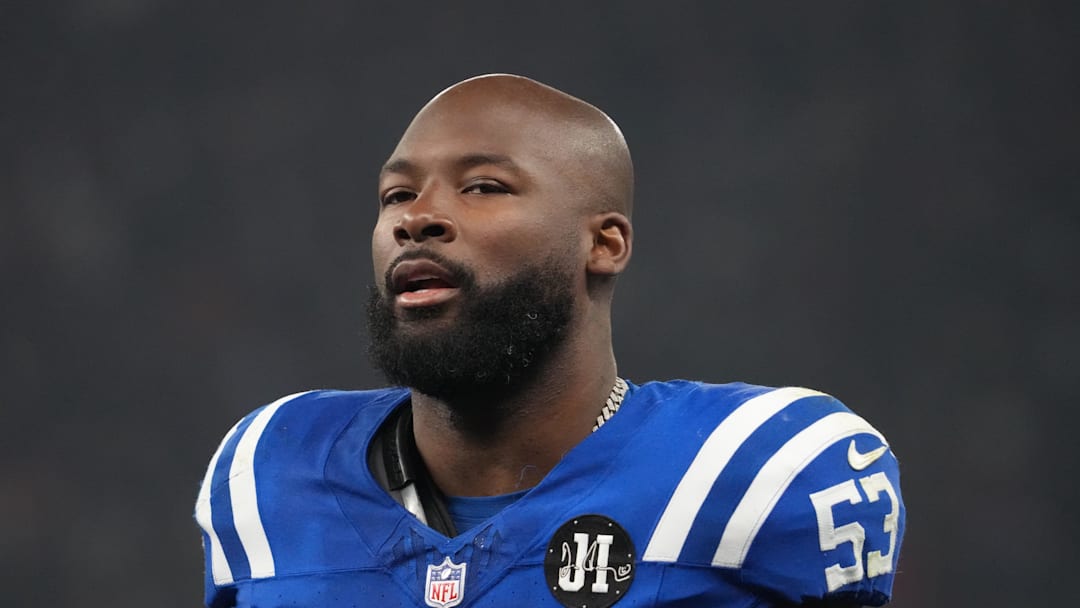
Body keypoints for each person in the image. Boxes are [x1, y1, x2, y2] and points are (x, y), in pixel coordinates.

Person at [195, 74, 905, 608]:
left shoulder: (764, 470)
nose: (419, 218)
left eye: (481, 186)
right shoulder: (267, 471)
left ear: (603, 243)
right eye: (396, 196)